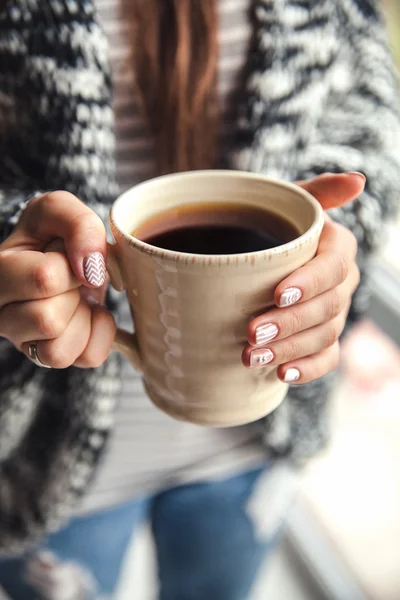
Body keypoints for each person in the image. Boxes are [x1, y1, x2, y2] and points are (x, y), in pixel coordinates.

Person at [0, 0, 399, 598]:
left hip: (255, 443)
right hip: (42, 458)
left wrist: (331, 234)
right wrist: (17, 250)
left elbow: (369, 113)